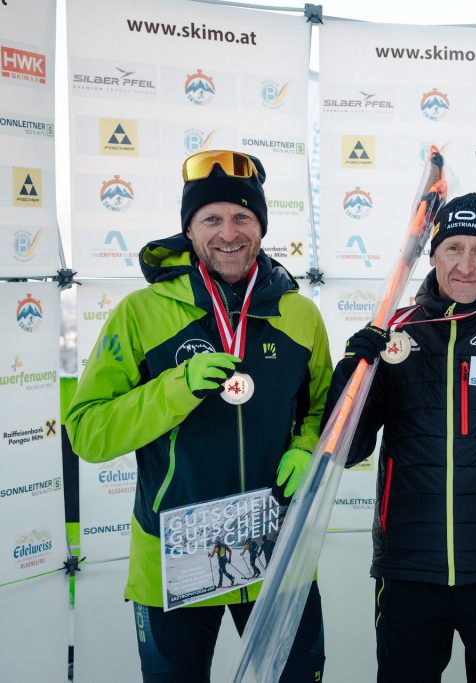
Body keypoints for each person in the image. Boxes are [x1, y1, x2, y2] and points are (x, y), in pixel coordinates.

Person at [64, 149, 332, 683]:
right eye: (211, 219)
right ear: (189, 229)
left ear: (261, 226)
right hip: (174, 561)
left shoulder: (300, 314)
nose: (228, 233)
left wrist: (307, 446)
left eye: (242, 217)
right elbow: (88, 432)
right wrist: (177, 387)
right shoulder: (141, 313)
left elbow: (324, 407)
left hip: (274, 551)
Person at [323, 192, 476, 683]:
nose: (465, 265)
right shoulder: (395, 333)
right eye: (453, 248)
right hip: (409, 568)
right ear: (433, 256)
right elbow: (350, 447)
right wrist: (352, 369)